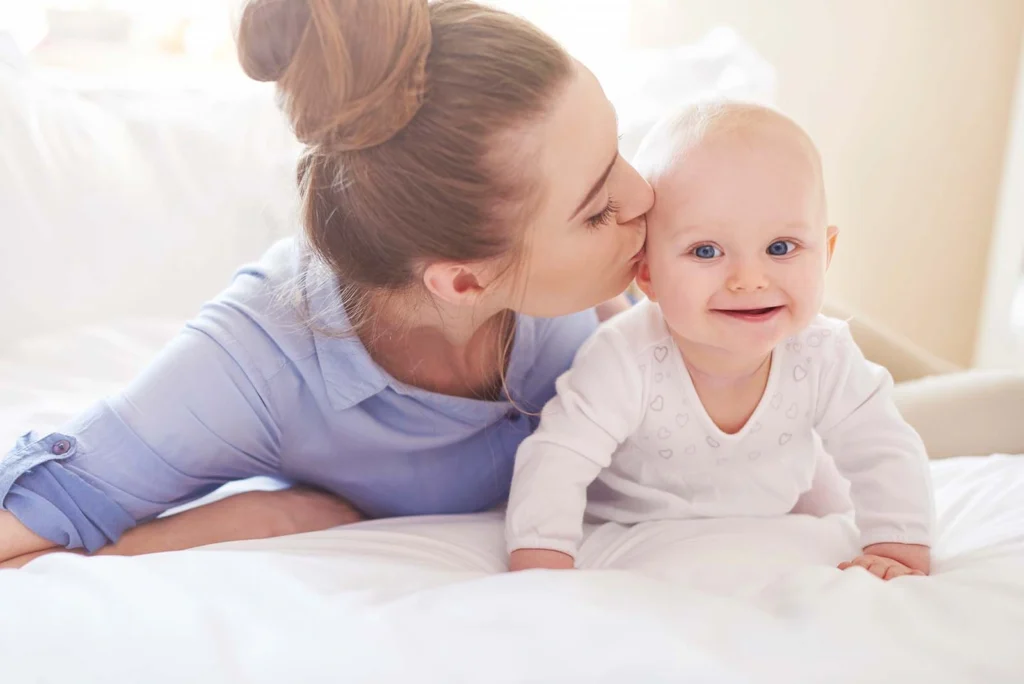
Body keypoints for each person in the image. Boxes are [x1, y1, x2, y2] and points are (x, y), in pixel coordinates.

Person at [0, 0, 653, 567]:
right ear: (462, 282)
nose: (646, 195)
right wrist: (253, 519)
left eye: (618, 147)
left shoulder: (610, 253)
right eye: (599, 210)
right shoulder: (257, 367)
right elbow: (27, 526)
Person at [505, 102, 935, 580]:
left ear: (825, 253)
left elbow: (882, 446)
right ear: (647, 273)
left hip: (773, 514)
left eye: (780, 248)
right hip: (637, 527)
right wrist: (542, 561)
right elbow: (559, 456)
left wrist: (897, 546)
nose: (749, 279)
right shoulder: (625, 358)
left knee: (828, 486)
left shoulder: (823, 353)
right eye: (706, 251)